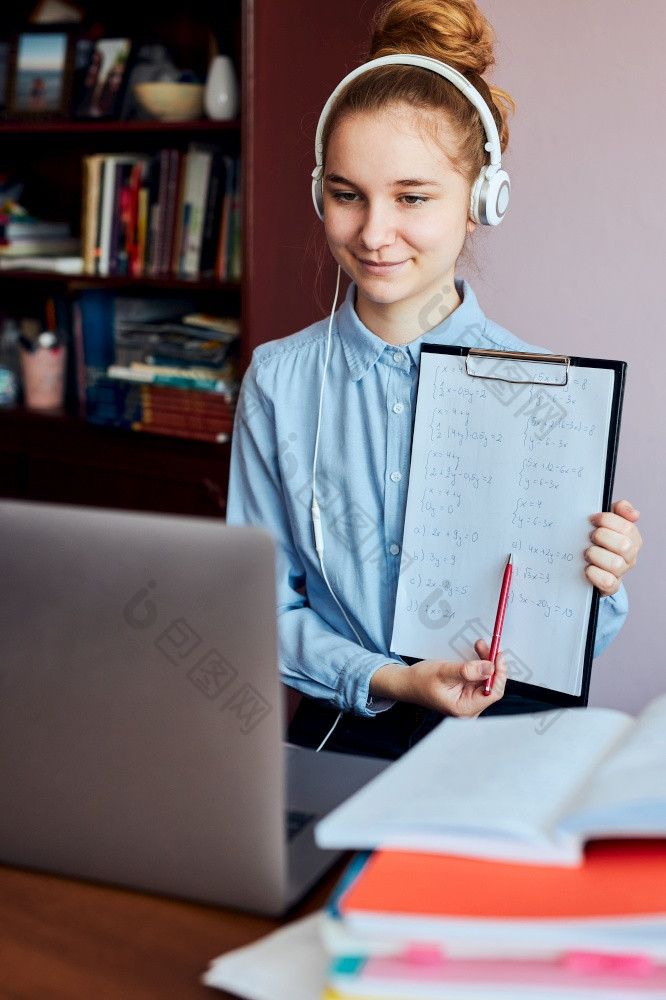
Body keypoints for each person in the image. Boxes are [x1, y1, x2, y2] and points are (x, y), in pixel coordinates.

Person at [227, 0, 642, 759]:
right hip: (340, 731)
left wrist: (600, 583)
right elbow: (257, 613)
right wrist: (391, 679)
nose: (373, 233)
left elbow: (579, 639)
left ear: (483, 201)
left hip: (495, 738)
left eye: (412, 197)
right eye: (347, 194)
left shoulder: (543, 394)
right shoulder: (280, 382)